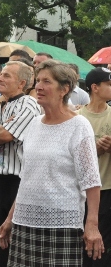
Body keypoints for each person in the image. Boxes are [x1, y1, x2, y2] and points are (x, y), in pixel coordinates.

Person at [0, 60, 104, 266]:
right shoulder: (35, 124)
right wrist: (11, 217)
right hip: (24, 223)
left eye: (46, 81)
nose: (38, 86)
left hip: (62, 225)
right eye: (37, 81)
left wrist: (92, 225)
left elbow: (91, 181)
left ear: (64, 89)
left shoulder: (79, 126)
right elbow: (27, 177)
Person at [0, 61, 40, 267]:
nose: (0, 78)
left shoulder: (28, 105)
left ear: (22, 83)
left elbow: (3, 134)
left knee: (13, 239)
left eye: (6, 76)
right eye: (1, 74)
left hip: (17, 182)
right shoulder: (2, 105)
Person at [77, 67, 111, 266]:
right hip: (83, 192)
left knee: (103, 246)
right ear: (95, 87)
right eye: (109, 84)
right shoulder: (78, 117)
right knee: (83, 245)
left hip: (108, 189)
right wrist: (93, 151)